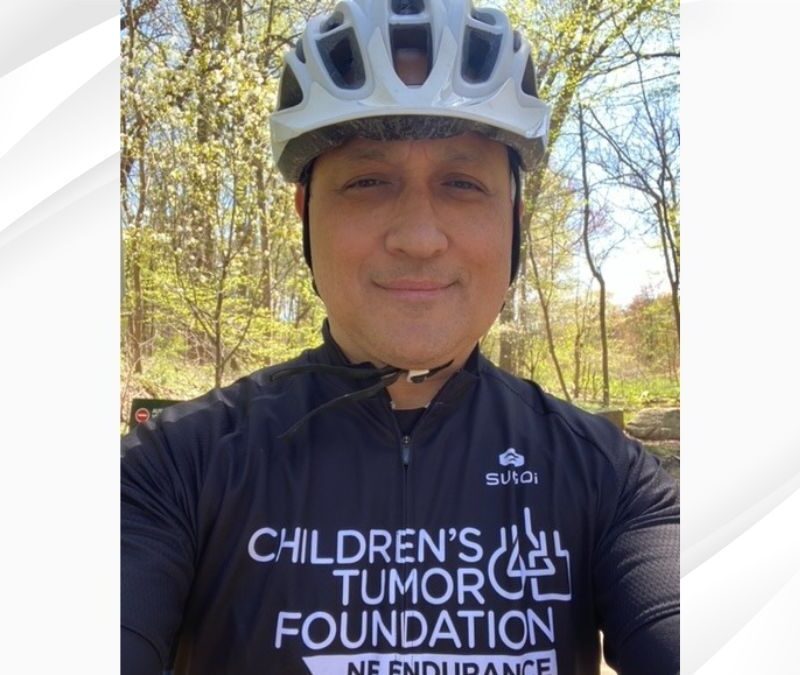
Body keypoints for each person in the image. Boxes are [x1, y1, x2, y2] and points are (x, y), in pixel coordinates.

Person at [121, 0, 680, 673]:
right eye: (367, 180)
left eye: (462, 182)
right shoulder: (174, 467)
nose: (418, 236)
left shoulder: (608, 476)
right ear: (305, 213)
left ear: (515, 219)